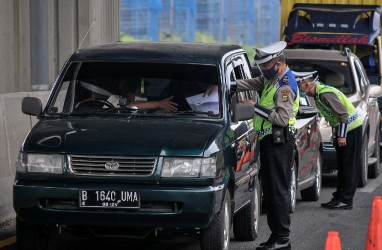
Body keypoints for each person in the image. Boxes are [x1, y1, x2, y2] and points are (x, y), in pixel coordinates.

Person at [232, 41, 299, 250]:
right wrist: (231, 84)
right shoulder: (273, 79)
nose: (263, 71)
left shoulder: (285, 85)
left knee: (278, 191)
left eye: (265, 67)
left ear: (278, 64)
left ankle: (282, 238)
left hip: (279, 143)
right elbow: (253, 82)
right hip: (270, 142)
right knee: (270, 191)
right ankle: (275, 235)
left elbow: (281, 118)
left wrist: (256, 108)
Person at [294, 71, 363, 210]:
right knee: (342, 165)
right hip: (344, 130)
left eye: (299, 86)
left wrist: (342, 136)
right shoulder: (319, 94)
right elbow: (333, 118)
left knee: (348, 165)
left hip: (351, 129)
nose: (298, 90)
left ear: (307, 84)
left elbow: (343, 114)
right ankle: (339, 197)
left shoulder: (324, 93)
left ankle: (346, 200)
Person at [108, 78, 178, 112]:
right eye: (142, 94)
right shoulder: (114, 100)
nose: (146, 97)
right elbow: (127, 106)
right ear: (130, 96)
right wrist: (158, 104)